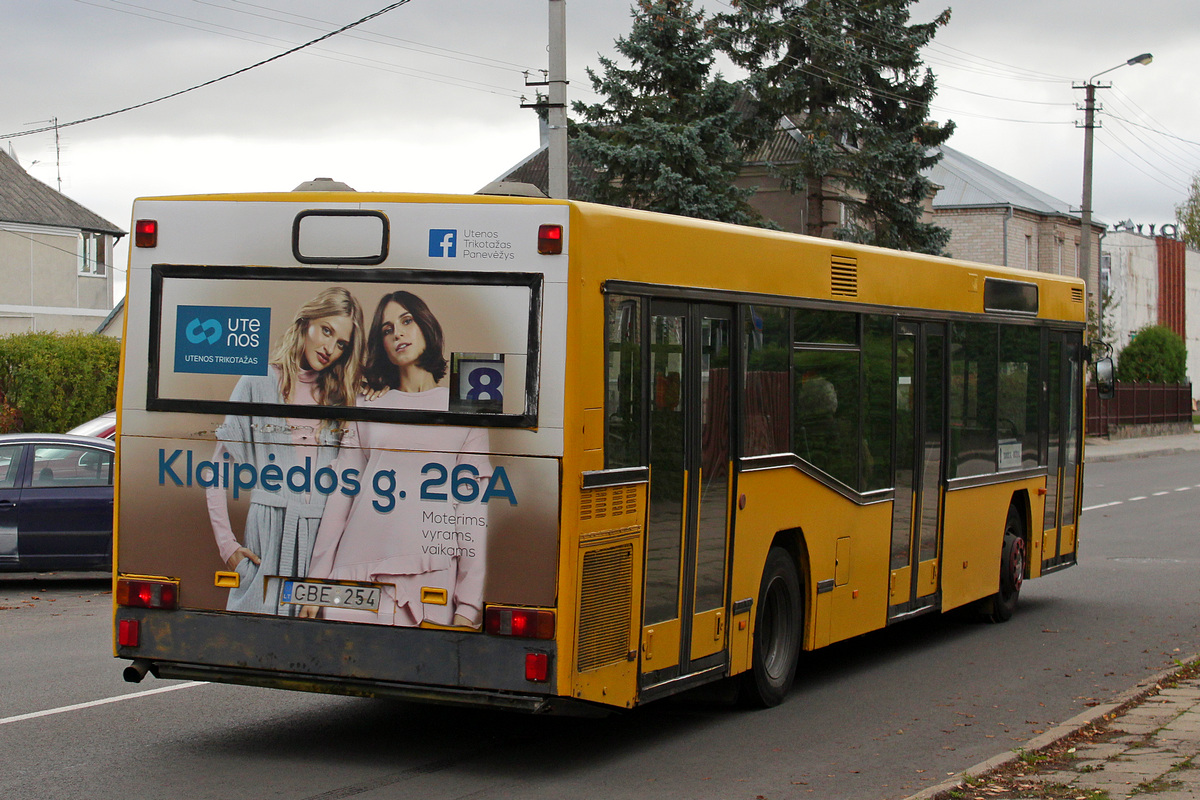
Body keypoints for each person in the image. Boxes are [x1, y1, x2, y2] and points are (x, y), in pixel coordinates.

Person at [303, 290, 490, 628]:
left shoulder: (465, 406)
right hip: (356, 570)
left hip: (429, 575)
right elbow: (341, 496)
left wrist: (468, 607)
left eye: (407, 321)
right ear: (382, 344)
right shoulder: (368, 403)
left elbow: (472, 512)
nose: (398, 333)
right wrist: (316, 582)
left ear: (426, 326)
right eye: (387, 329)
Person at [208, 286, 364, 614]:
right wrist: (228, 547)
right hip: (265, 534)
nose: (329, 348)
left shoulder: (341, 398)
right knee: (252, 644)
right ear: (306, 322)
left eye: (341, 344)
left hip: (321, 542)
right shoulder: (257, 382)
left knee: (315, 651)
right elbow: (217, 470)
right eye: (326, 331)